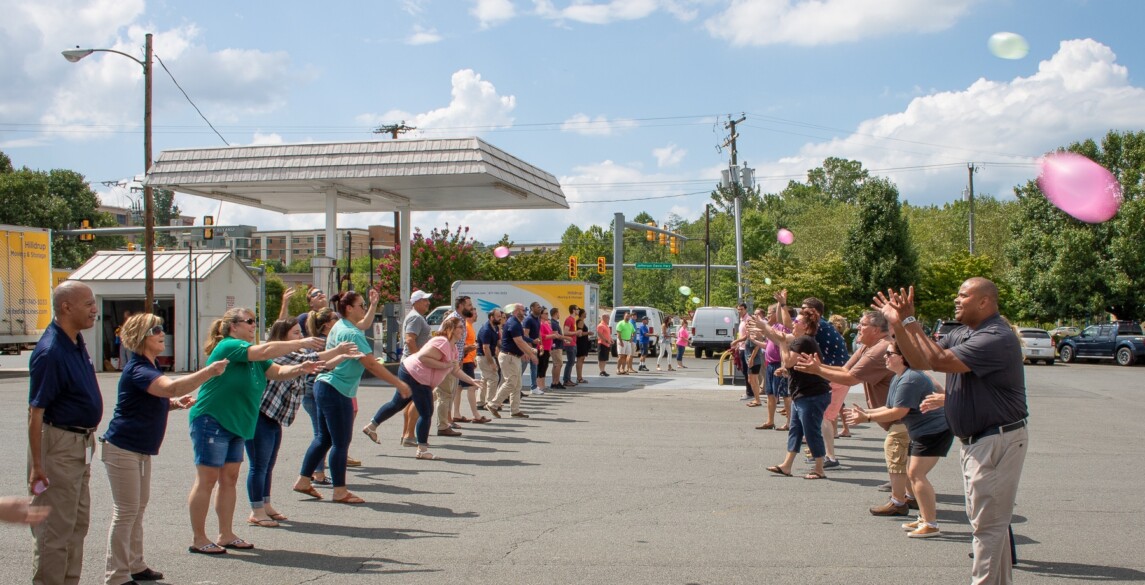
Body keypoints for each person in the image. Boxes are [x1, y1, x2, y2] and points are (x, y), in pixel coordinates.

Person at [875, 279, 1028, 584]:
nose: (956, 300)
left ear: (984, 302)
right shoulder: (962, 332)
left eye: (963, 295)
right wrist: (900, 327)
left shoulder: (996, 336)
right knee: (990, 523)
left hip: (996, 438)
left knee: (987, 525)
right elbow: (920, 360)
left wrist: (908, 319)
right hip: (979, 440)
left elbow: (939, 360)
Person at [101, 313, 228, 584]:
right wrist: (209, 371)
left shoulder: (150, 366)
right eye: (156, 329)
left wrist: (173, 404)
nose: (162, 333)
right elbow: (169, 387)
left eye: (162, 328)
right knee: (125, 512)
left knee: (137, 508)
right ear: (141, 336)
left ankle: (135, 565)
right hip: (122, 448)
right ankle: (117, 575)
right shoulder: (139, 369)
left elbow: (158, 396)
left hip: (139, 449)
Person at [186, 308, 323, 555]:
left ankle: (226, 534)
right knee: (207, 479)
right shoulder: (229, 346)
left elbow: (277, 372)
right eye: (248, 321)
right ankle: (199, 537)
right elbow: (266, 350)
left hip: (237, 423)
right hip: (212, 419)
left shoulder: (253, 356)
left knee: (229, 479)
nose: (253, 325)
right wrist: (300, 343)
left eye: (254, 321)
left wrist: (303, 368)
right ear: (232, 326)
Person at [293, 292, 410, 505]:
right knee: (340, 442)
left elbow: (363, 325)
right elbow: (371, 364)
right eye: (361, 305)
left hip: (323, 385)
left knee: (323, 438)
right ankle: (339, 491)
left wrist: (374, 304)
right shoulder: (351, 333)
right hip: (337, 390)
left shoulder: (340, 325)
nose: (363, 309)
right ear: (349, 308)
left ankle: (303, 480)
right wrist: (398, 383)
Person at [246, 319, 359, 528]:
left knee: (268, 464)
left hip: (273, 417)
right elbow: (312, 357)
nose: (300, 337)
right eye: (295, 333)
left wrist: (342, 355)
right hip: (260, 415)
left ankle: (266, 504)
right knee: (259, 466)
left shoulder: (293, 355)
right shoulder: (280, 354)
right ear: (283, 336)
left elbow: (317, 364)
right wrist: (338, 350)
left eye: (300, 333)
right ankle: (256, 510)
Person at [28, 281, 101, 584]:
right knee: (55, 531)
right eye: (88, 303)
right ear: (66, 307)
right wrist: (38, 466)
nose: (95, 309)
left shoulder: (75, 341)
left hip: (80, 443)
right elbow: (36, 413)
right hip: (59, 444)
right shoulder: (51, 352)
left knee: (76, 525)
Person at [845, 342, 953, 538]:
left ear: (902, 357)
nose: (885, 357)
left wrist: (866, 417)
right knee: (913, 475)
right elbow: (889, 407)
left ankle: (931, 524)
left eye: (889, 354)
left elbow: (899, 412)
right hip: (921, 431)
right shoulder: (899, 377)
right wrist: (865, 413)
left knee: (916, 475)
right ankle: (924, 518)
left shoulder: (910, 379)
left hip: (934, 431)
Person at [795, 311, 899, 483]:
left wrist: (817, 370)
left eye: (863, 324)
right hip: (894, 413)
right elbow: (845, 370)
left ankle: (902, 493)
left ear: (875, 330)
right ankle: (901, 487)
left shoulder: (881, 349)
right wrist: (817, 366)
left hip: (904, 414)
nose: (858, 327)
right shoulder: (869, 346)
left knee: (902, 451)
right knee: (899, 451)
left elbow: (850, 379)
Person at [363, 317, 480, 460]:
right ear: (450, 329)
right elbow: (424, 358)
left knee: (397, 403)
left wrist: (471, 380)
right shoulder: (442, 342)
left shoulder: (453, 347)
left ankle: (371, 426)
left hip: (412, 372)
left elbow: (455, 370)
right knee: (426, 412)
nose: (463, 330)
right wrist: (445, 365)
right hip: (416, 375)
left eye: (463, 327)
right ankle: (422, 450)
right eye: (460, 327)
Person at [750, 309, 831, 480]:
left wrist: (781, 345)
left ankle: (819, 468)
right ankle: (786, 466)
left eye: (798, 321)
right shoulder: (800, 340)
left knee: (811, 431)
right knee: (795, 429)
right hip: (802, 393)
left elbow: (787, 360)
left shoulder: (803, 341)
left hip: (812, 395)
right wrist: (787, 371)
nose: (794, 323)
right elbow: (787, 354)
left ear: (807, 326)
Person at [299, 308, 342, 485]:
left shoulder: (319, 342)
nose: (338, 320)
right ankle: (316, 474)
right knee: (322, 436)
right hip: (314, 391)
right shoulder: (324, 343)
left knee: (322, 435)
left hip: (310, 392)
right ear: (327, 324)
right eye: (335, 318)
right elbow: (326, 365)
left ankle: (315, 473)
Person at [486, 303, 538, 418]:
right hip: (509, 357)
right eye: (522, 310)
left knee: (517, 385)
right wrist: (531, 353)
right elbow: (518, 341)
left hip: (514, 357)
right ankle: (493, 404)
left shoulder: (516, 323)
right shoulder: (513, 323)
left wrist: (529, 347)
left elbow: (522, 338)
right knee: (511, 382)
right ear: (516, 311)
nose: (524, 312)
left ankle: (515, 410)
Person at [434, 296, 474, 436]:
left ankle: (447, 421)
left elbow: (458, 343)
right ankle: (443, 426)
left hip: (455, 360)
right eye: (469, 305)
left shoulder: (461, 320)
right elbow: (444, 340)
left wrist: (463, 354)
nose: (471, 307)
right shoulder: (452, 320)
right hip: (448, 361)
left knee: (446, 393)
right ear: (461, 305)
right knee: (445, 394)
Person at [399, 290, 434, 447]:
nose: (427, 302)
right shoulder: (415, 317)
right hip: (414, 366)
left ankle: (407, 434)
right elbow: (409, 339)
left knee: (409, 401)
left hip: (410, 364)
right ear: (416, 302)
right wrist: (418, 359)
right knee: (419, 402)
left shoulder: (418, 317)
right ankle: (410, 435)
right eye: (424, 300)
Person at [756, 299, 791, 431]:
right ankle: (770, 421)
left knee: (785, 395)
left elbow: (780, 341)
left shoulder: (781, 327)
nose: (768, 316)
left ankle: (789, 422)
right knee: (770, 394)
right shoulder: (773, 327)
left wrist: (781, 302)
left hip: (779, 364)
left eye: (771, 313)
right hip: (770, 365)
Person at [451, 311, 488, 424]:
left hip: (468, 360)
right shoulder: (466, 326)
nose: (477, 315)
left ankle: (456, 414)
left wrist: (473, 357)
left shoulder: (469, 326)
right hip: (465, 360)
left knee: (459, 388)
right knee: (472, 386)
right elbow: (460, 343)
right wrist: (470, 348)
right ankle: (476, 415)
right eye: (475, 313)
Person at [476, 309, 503, 411]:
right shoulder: (486, 330)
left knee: (485, 379)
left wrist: (504, 348)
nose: (500, 318)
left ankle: (480, 402)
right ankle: (490, 403)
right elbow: (485, 348)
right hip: (484, 356)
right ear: (491, 317)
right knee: (494, 378)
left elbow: (497, 343)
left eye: (500, 316)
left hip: (487, 356)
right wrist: (492, 363)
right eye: (498, 316)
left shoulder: (495, 328)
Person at [523, 302, 545, 393]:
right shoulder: (528, 319)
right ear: (532, 308)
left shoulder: (537, 319)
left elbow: (538, 333)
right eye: (538, 307)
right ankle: (516, 388)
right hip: (527, 348)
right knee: (521, 368)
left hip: (535, 347)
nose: (540, 308)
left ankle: (534, 387)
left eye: (540, 307)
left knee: (534, 367)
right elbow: (525, 334)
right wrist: (530, 348)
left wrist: (541, 345)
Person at [549, 307, 568, 389]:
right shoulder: (553, 323)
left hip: (556, 346)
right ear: (556, 313)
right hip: (556, 347)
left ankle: (555, 381)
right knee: (558, 364)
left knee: (556, 364)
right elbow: (556, 335)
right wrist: (566, 338)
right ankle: (556, 382)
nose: (559, 314)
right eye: (559, 313)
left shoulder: (554, 323)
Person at [562, 304, 579, 386]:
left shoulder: (573, 319)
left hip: (573, 343)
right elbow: (565, 332)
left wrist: (576, 334)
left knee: (571, 362)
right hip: (569, 343)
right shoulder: (569, 319)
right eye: (577, 309)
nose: (578, 310)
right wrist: (576, 332)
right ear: (573, 310)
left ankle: (568, 379)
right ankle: (566, 380)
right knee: (570, 361)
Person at [574, 309, 591, 383]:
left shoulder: (581, 321)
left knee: (581, 359)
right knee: (580, 359)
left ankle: (580, 377)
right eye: (585, 313)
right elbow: (580, 333)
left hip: (583, 342)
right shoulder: (580, 321)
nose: (586, 314)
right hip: (581, 342)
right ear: (581, 314)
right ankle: (579, 377)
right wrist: (588, 333)